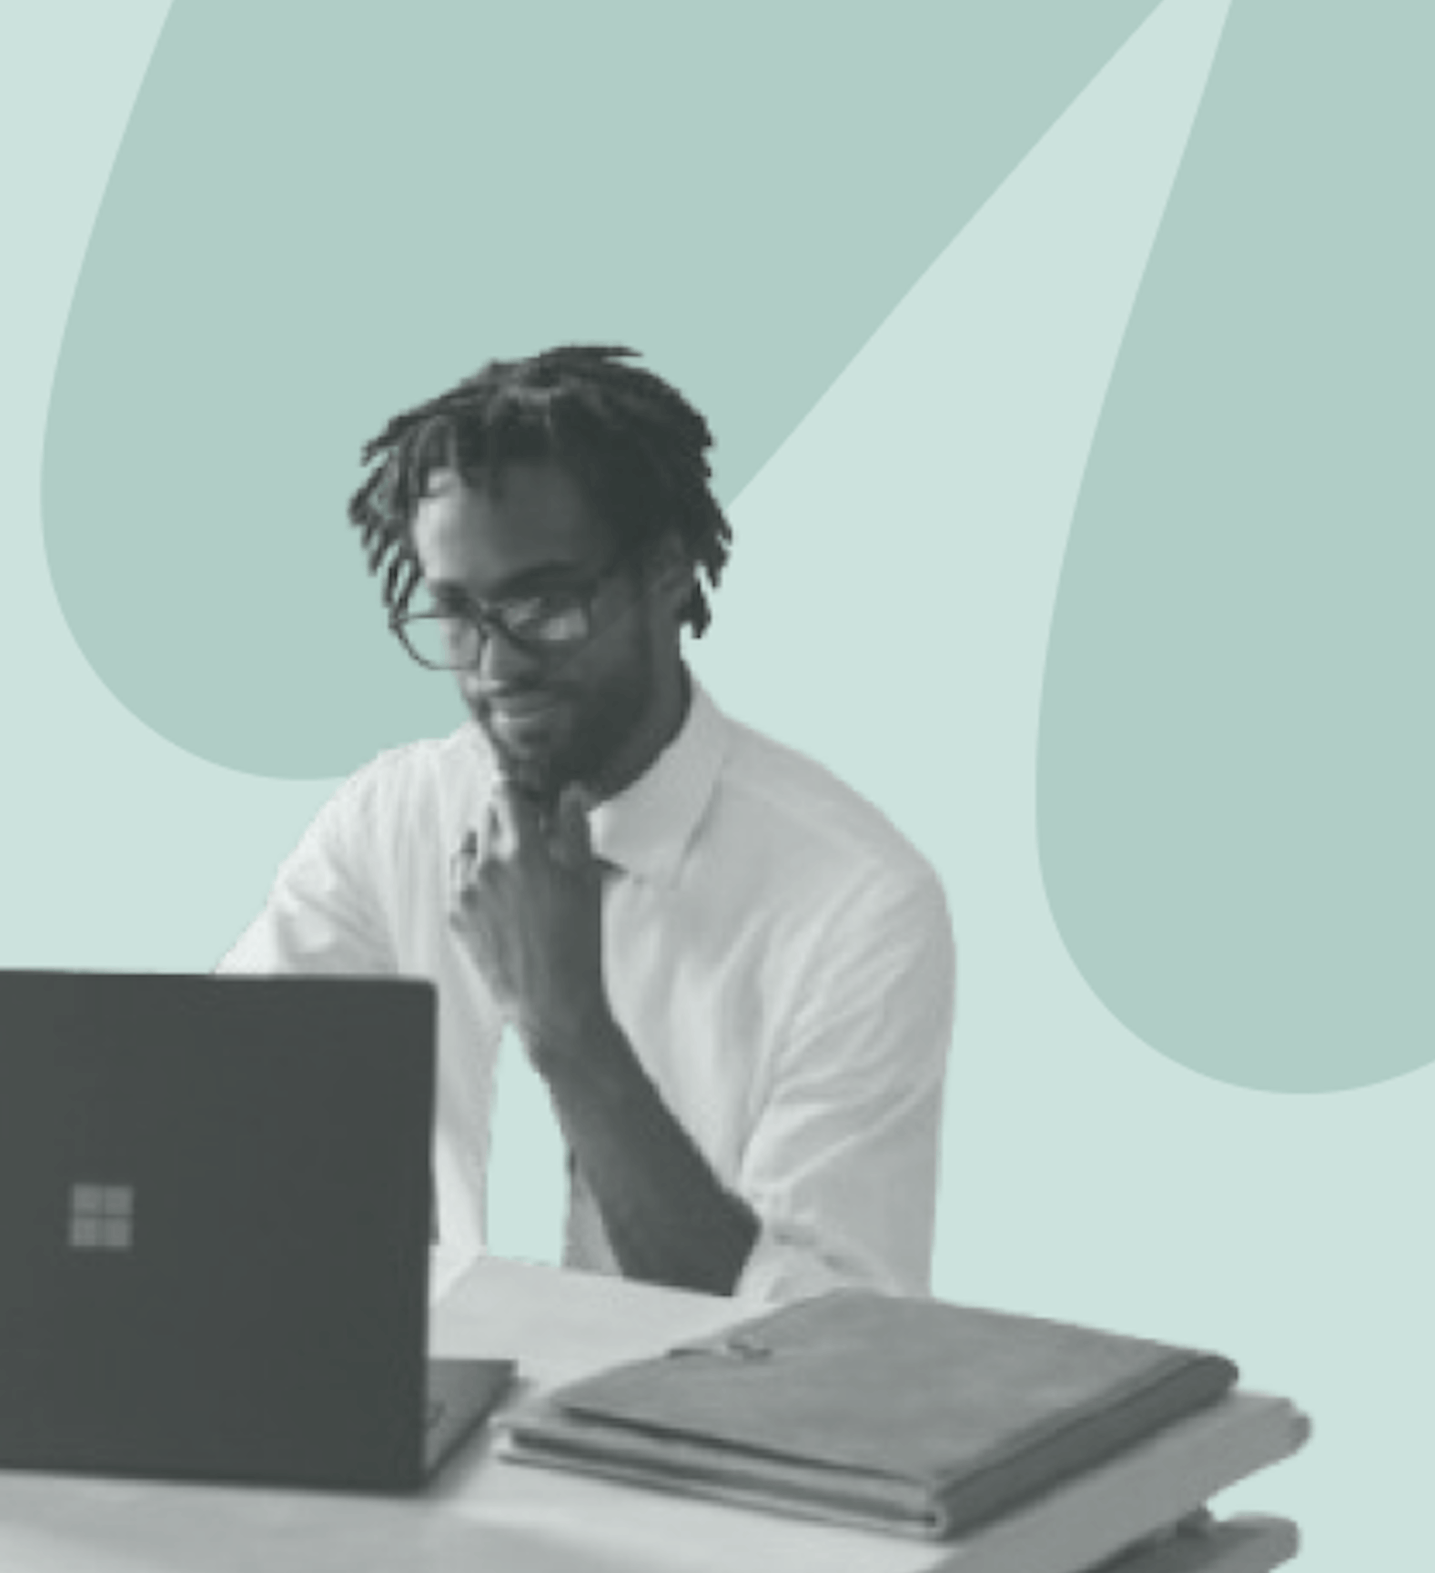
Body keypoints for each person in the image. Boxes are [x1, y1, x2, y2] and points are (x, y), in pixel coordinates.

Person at [221, 343, 955, 1301]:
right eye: (458, 614)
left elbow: (824, 1352)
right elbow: (216, 1103)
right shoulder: (392, 822)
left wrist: (565, 1023)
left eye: (545, 603)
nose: (496, 663)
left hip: (700, 1439)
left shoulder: (854, 904)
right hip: (435, 1406)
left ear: (662, 573)